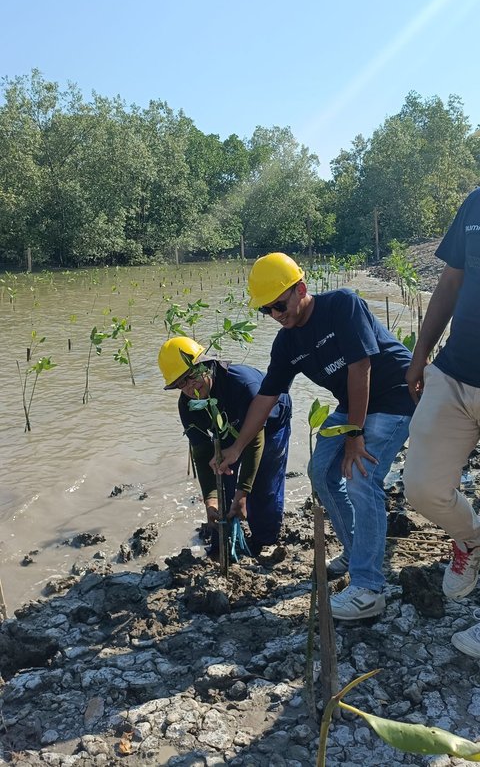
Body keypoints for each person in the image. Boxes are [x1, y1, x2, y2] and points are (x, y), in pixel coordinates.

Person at [213, 253, 414, 621]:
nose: (276, 315)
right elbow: (265, 398)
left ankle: (369, 589)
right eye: (266, 311)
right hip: (354, 402)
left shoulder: (343, 304)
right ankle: (358, 551)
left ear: (301, 289)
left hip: (395, 395)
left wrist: (355, 433)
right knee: (321, 472)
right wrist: (236, 447)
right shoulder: (287, 343)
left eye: (279, 305)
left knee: (360, 477)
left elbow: (361, 367)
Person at [402, 187, 480, 637]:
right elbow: (450, 281)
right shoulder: (475, 204)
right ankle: (470, 540)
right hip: (453, 373)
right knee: (422, 488)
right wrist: (421, 355)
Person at [158, 336, 292, 557]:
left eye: (192, 375)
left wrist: (242, 495)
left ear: (207, 365)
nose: (191, 386)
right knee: (222, 481)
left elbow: (255, 440)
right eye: (181, 383)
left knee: (263, 483)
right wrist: (210, 500)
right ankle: (224, 542)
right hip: (230, 427)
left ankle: (264, 541)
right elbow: (202, 453)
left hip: (269, 422)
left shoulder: (242, 385)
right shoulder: (188, 405)